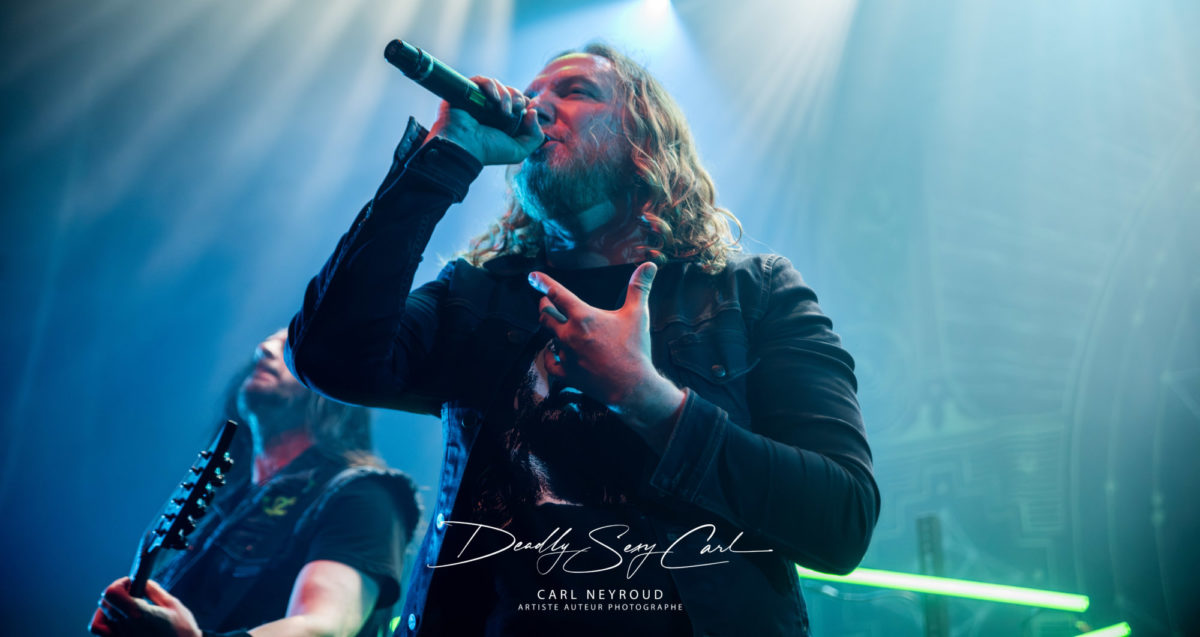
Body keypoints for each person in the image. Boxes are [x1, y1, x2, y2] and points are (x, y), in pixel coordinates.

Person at [287, 43, 879, 636]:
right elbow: (328, 358)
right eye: (532, 94)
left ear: (645, 138)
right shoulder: (475, 296)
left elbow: (842, 522)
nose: (536, 107)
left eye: (575, 92)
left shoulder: (749, 293)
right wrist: (446, 154)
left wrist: (648, 399)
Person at [90, 329, 420, 637]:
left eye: (290, 347)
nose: (263, 349)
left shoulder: (365, 495)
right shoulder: (228, 503)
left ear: (329, 384)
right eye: (267, 343)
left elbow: (322, 627)